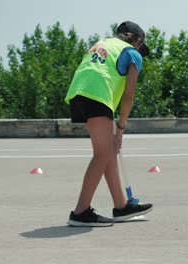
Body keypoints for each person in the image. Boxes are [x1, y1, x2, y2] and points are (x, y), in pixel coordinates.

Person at [65, 21, 153, 227]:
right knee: (103, 154)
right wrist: (121, 127)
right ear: (137, 40)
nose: (140, 51)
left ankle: (121, 206)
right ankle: (80, 212)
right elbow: (128, 96)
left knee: (108, 151)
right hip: (97, 94)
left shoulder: (102, 43)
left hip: (80, 92)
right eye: (141, 46)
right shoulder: (132, 53)